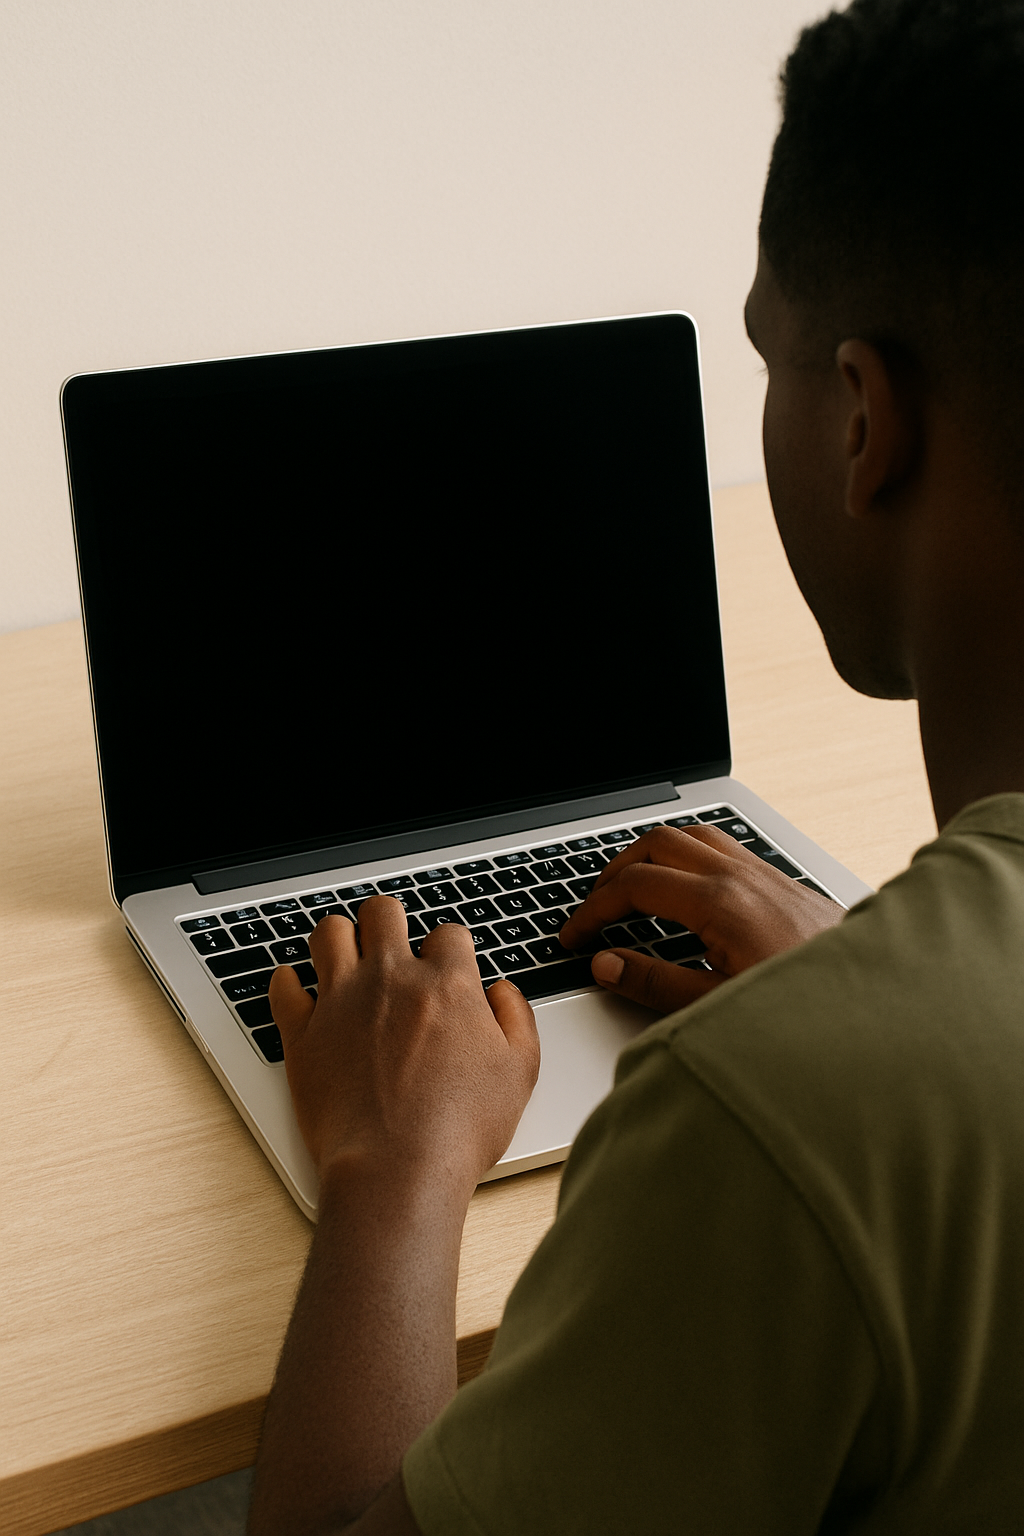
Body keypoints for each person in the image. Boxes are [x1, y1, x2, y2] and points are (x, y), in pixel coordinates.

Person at [247, 0, 1024, 1529]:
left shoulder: (775, 1118)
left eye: (773, 359)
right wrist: (892, 986)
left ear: (865, 419)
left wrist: (394, 1172)